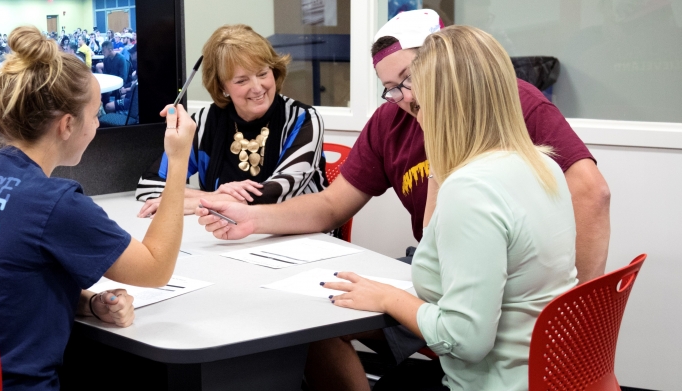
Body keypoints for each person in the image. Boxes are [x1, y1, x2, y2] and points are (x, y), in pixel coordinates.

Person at [196, 9, 610, 391]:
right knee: (331, 309)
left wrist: (573, 325)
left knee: (333, 309)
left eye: (412, 83)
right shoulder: (536, 162)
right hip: (514, 339)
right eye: (392, 89)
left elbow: (466, 338)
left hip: (488, 363)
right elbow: (331, 205)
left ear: (450, 83)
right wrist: (254, 217)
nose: (408, 99)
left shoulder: (474, 185)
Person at [0, 26, 196, 390]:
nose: (98, 123)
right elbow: (156, 268)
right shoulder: (54, 202)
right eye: (95, 114)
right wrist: (178, 159)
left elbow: (4, 283)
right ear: (68, 124)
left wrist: (86, 302)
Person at [324, 25, 578, 391]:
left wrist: (387, 297)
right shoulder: (543, 165)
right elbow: (444, 252)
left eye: (420, 104)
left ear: (446, 106)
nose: (417, 117)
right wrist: (443, 167)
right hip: (546, 373)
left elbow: (465, 340)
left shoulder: (471, 190)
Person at [135, 24, 327, 216]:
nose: (258, 87)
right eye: (241, 81)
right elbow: (149, 185)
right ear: (222, 87)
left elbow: (278, 193)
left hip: (299, 236)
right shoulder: (204, 121)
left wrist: (199, 203)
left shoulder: (304, 120)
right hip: (223, 236)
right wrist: (214, 197)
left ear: (274, 71)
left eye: (262, 73)